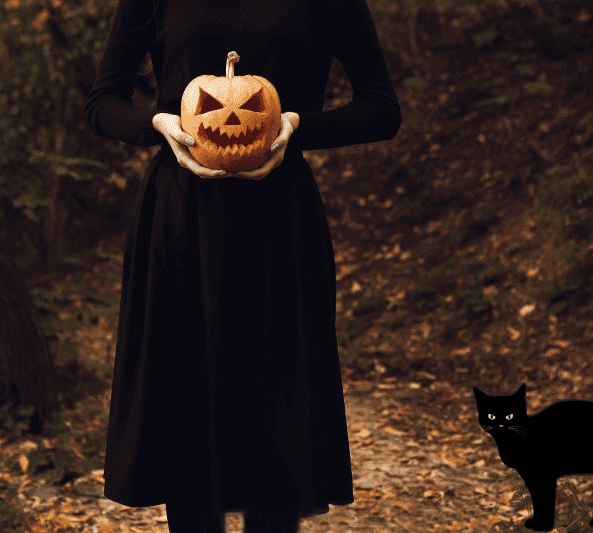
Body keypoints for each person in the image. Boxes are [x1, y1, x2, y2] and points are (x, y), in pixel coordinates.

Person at [84, 0, 401, 530]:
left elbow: (381, 109)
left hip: (281, 223)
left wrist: (296, 125)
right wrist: (160, 125)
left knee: (277, 411)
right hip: (181, 219)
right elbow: (102, 102)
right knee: (187, 410)